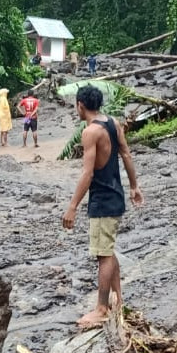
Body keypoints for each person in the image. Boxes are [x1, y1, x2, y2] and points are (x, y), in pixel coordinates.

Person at [61, 84, 143, 329]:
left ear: (80, 105)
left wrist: (72, 206)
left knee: (103, 254)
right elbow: (126, 154)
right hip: (115, 195)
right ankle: (118, 300)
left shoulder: (91, 132)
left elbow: (87, 174)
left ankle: (101, 308)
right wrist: (134, 186)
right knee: (108, 249)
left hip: (103, 200)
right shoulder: (113, 123)